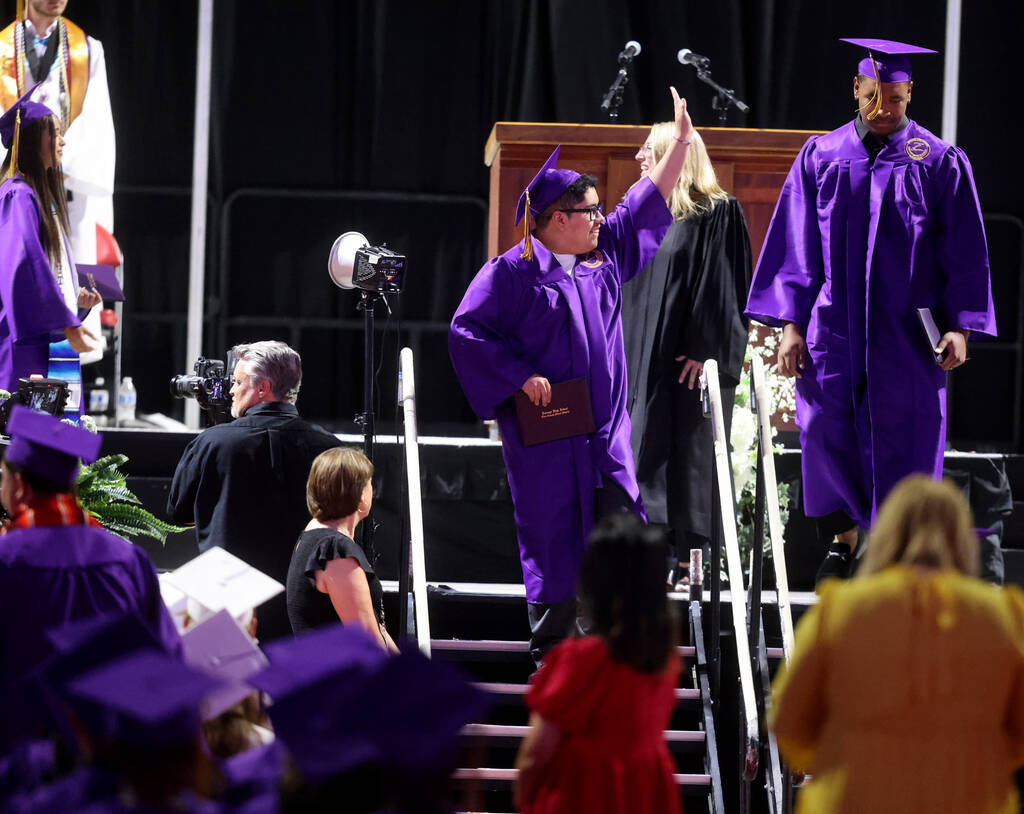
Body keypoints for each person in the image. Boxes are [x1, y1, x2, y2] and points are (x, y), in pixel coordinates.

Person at [449, 87, 694, 663]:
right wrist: (516, 375)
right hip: (547, 441)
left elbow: (643, 203)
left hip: (604, 436)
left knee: (620, 542)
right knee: (555, 545)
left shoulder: (600, 254)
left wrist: (680, 143)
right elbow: (467, 332)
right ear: (558, 218)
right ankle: (555, 668)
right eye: (589, 211)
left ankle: (620, 659)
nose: (599, 218)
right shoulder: (510, 274)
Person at [744, 38, 997, 583]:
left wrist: (960, 328)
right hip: (832, 329)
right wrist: (790, 325)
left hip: (906, 335)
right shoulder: (822, 156)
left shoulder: (938, 162)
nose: (885, 109)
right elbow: (797, 243)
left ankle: (898, 553)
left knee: (905, 437)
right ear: (856, 90)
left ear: (911, 93)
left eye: (897, 98)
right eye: (874, 96)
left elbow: (965, 252)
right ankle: (844, 541)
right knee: (826, 432)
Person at [771, 475, 1024, 813]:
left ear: (888, 534)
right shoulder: (1003, 617)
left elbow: (789, 722)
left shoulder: (839, 611)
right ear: (962, 537)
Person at [0, 406, 180, 750]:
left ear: (19, 485)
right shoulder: (126, 559)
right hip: (112, 748)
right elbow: (164, 656)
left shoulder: (7, 559)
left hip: (21, 755)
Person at [623, 123, 752, 584]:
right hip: (640, 364)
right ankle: (649, 556)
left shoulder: (716, 211)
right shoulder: (644, 218)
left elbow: (724, 285)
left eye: (649, 149)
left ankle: (690, 560)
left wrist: (708, 351)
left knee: (686, 456)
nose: (639, 156)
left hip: (686, 363)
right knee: (643, 453)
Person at [167, 340, 342, 641]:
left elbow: (177, 515)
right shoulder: (329, 447)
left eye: (236, 382)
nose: (231, 390)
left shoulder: (212, 443)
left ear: (262, 388)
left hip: (231, 606)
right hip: (303, 609)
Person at [513, 513, 680, 814]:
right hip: (643, 797)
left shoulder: (579, 661)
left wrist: (525, 798)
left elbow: (535, 755)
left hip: (583, 796)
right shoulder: (664, 662)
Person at [0, 85, 100, 396]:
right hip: (22, 344)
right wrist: (66, 322)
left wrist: (76, 309)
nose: (63, 141)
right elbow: (23, 265)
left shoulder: (43, 200)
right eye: (54, 133)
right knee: (23, 435)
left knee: (55, 434)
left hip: (43, 339)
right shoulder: (17, 194)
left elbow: (44, 270)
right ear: (32, 140)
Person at [1, 0, 116, 267]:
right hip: (13, 190)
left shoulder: (87, 50)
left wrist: (57, 162)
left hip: (68, 191)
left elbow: (97, 124)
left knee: (76, 287)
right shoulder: (2, 49)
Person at [286, 446, 397, 651]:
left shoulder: (313, 534)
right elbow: (369, 641)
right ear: (362, 495)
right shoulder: (335, 550)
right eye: (370, 484)